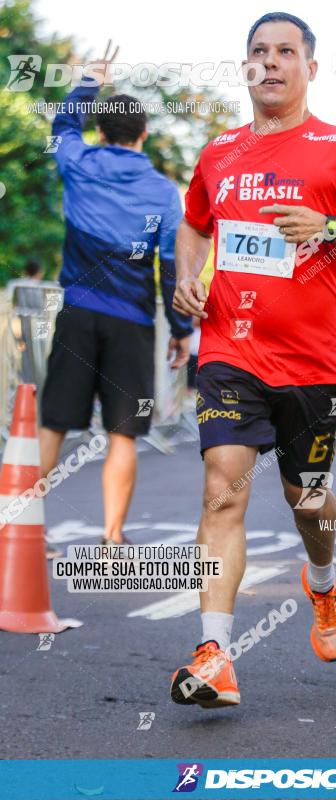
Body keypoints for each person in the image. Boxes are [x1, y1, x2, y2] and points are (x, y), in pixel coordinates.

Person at [170, 12, 336, 708]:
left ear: (309, 67)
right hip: (229, 349)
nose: (269, 63)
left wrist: (332, 227)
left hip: (312, 360)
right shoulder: (218, 153)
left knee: (304, 497)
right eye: (257, 52)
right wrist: (187, 273)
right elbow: (193, 221)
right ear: (244, 67)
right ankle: (214, 654)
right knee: (222, 485)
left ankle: (323, 584)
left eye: (285, 52)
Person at [39, 43, 192, 547]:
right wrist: (184, 331)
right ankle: (112, 535)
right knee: (123, 435)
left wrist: (89, 82)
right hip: (132, 323)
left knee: (54, 425)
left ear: (101, 131)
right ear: (143, 135)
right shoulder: (164, 193)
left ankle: (20, 524)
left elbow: (63, 125)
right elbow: (170, 268)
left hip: (79, 314)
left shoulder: (77, 161)